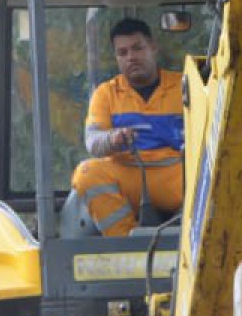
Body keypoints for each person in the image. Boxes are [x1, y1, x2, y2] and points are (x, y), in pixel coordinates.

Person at [70, 17, 186, 236]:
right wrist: (113, 139)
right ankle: (125, 241)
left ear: (153, 48)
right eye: (122, 53)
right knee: (87, 173)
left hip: (177, 174)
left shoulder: (184, 86)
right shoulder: (106, 93)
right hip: (129, 174)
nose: (131, 57)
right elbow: (93, 142)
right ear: (116, 58)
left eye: (137, 48)